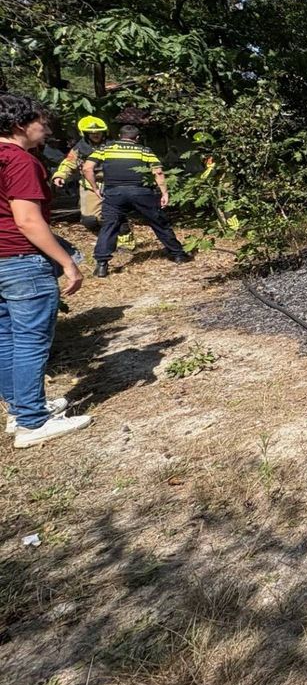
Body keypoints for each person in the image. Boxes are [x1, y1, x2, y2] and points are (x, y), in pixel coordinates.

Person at [0, 93, 94, 447]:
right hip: (20, 260)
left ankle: (20, 410)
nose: (47, 130)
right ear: (19, 125)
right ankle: (32, 422)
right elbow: (27, 220)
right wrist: (68, 262)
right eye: (41, 123)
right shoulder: (20, 161)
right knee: (30, 340)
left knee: (6, 337)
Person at [81, 125, 191, 278]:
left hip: (114, 193)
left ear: (119, 136)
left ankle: (101, 265)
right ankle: (178, 254)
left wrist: (95, 188)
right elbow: (158, 171)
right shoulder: (144, 150)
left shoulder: (105, 148)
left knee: (109, 226)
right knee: (158, 222)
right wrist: (164, 193)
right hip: (140, 192)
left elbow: (87, 168)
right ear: (137, 138)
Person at [51, 115, 135, 249]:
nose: (96, 135)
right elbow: (68, 163)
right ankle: (106, 237)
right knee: (89, 220)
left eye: (98, 132)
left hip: (113, 184)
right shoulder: (79, 149)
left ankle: (125, 243)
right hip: (90, 186)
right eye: (92, 133)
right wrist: (60, 176)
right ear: (85, 134)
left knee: (116, 215)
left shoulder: (114, 146)